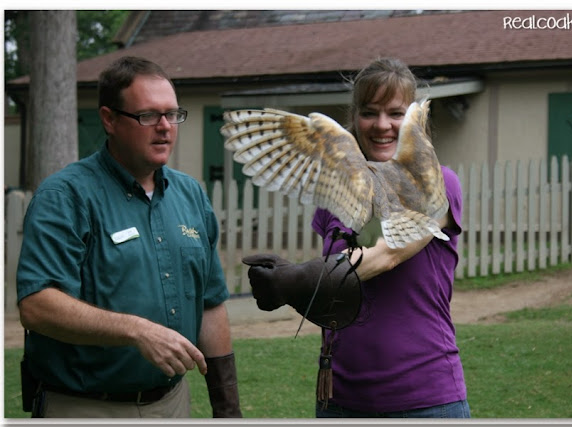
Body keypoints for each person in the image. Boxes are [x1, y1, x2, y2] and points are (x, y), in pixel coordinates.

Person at [243, 57, 470, 418]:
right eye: (370, 112)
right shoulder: (338, 192)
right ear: (356, 116)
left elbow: (386, 255)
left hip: (425, 397)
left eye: (396, 113)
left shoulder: (438, 183)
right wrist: (303, 283)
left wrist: (296, 281)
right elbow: (337, 296)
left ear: (413, 119)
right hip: (341, 396)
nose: (382, 125)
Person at [16, 56, 242, 418]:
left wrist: (227, 409)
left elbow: (210, 304)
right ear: (109, 119)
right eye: (149, 115)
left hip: (172, 404)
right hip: (85, 408)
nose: (165, 127)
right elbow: (37, 305)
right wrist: (135, 330)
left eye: (173, 114)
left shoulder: (190, 195)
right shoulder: (67, 196)